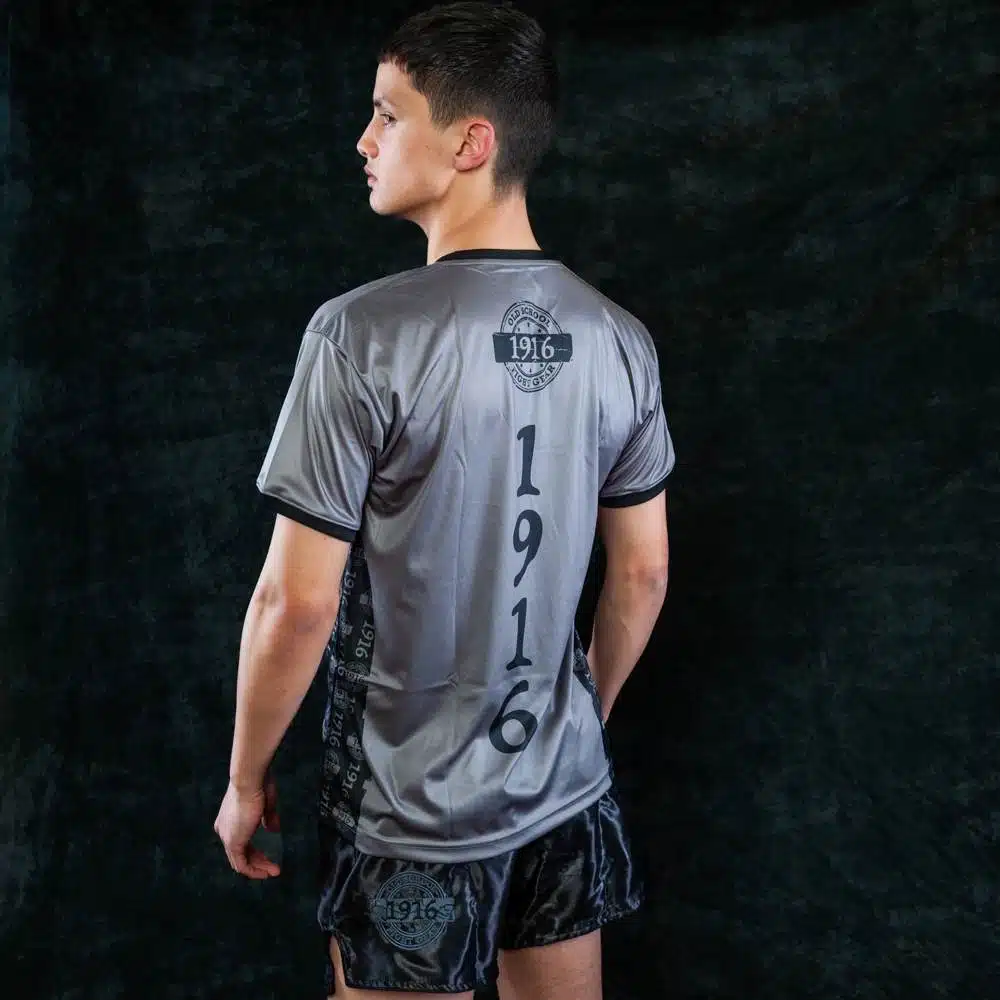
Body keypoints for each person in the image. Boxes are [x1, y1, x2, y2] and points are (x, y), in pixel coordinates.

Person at [213, 2, 674, 997]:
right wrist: (571, 721)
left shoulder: (359, 336)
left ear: (471, 143)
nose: (363, 139)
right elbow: (641, 574)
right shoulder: (618, 339)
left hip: (410, 817)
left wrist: (246, 776)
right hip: (564, 796)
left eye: (388, 114)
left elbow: (295, 603)